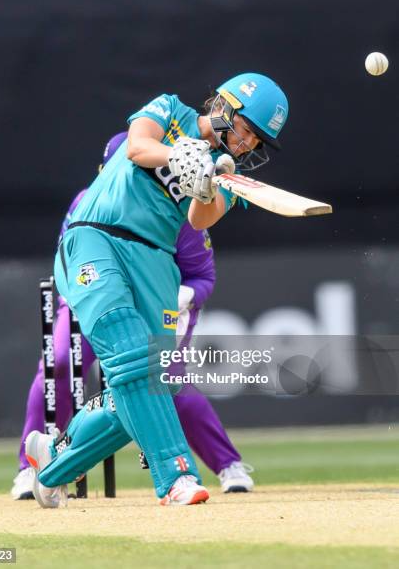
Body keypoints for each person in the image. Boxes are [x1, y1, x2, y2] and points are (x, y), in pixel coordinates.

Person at [25, 73, 289, 507]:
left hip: (155, 260)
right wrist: (180, 155)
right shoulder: (171, 110)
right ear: (224, 107)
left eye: (256, 142)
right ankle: (176, 476)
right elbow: (137, 147)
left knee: (153, 383)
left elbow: (201, 220)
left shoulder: (227, 171)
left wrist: (208, 181)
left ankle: (52, 464)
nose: (246, 145)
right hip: (99, 235)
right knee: (127, 347)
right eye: (246, 131)